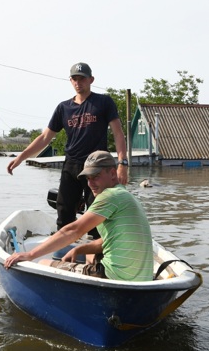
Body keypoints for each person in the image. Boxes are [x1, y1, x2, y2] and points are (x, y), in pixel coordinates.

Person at [7, 62, 129, 232]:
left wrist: (122, 164)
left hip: (97, 166)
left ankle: (97, 255)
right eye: (75, 79)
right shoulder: (63, 108)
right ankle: (64, 251)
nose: (78, 82)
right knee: (64, 211)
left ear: (91, 79)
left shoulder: (103, 102)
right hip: (71, 165)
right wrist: (21, 157)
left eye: (82, 79)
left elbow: (118, 133)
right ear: (71, 81)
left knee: (97, 213)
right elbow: (44, 138)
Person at [4, 151, 153, 282]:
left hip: (115, 277)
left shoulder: (109, 196)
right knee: (88, 254)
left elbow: (74, 230)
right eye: (88, 178)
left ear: (113, 174)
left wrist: (30, 254)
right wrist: (79, 249)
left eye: (96, 176)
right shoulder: (125, 195)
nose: (90, 184)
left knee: (43, 262)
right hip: (141, 279)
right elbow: (110, 240)